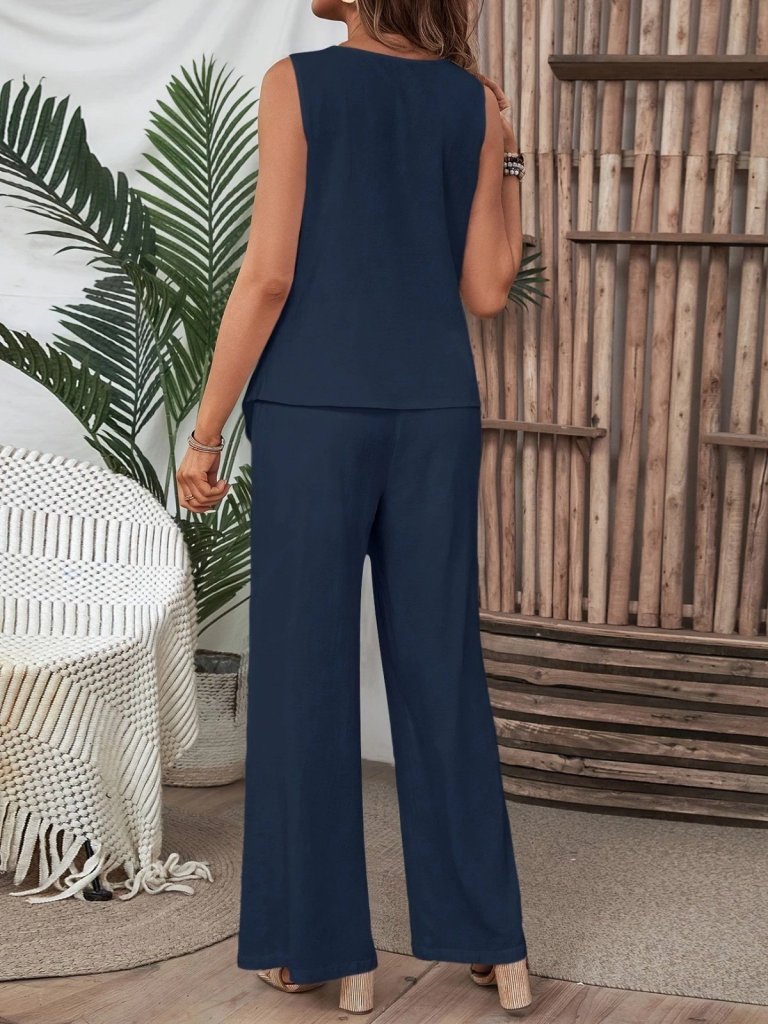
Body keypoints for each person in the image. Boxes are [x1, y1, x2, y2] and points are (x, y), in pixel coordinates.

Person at [175, 0, 530, 1014]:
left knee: (304, 673)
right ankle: (494, 945)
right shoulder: (475, 104)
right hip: (435, 413)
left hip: (314, 414)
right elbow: (489, 290)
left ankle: (322, 950)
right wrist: (508, 154)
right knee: (440, 669)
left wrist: (207, 431)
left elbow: (268, 275)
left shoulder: (299, 83)